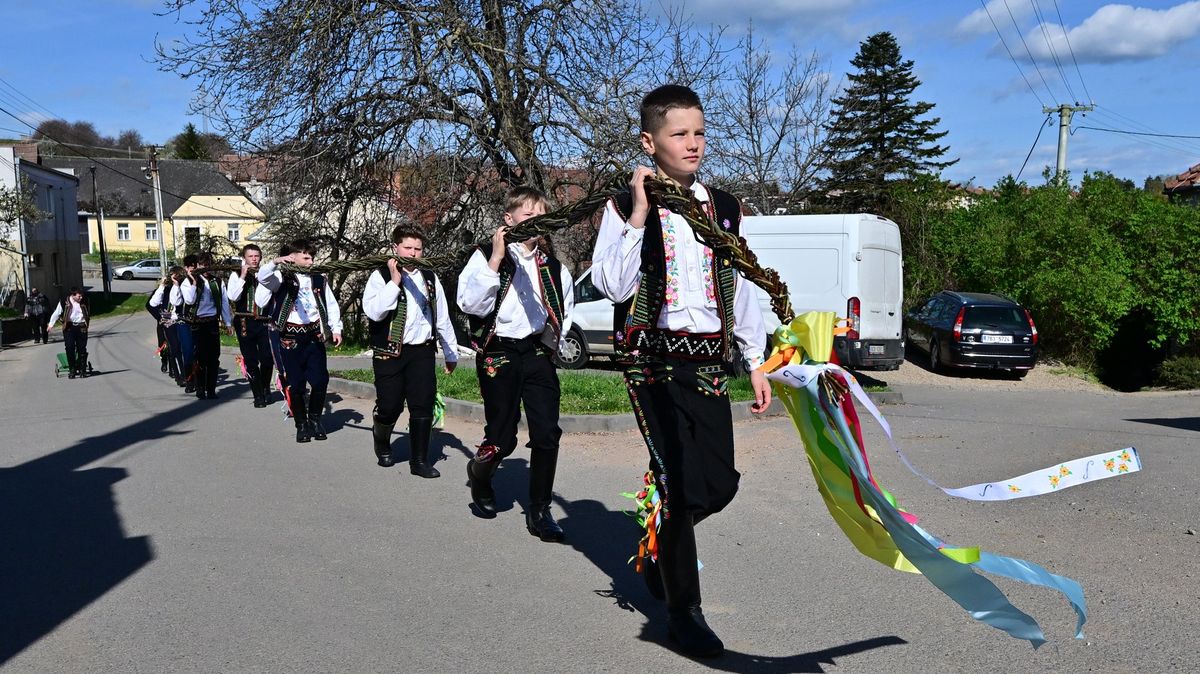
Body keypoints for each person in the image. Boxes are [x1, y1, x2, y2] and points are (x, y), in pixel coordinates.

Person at [590, 84, 770, 657]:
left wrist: (756, 358)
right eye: (678, 134)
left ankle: (660, 544)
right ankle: (683, 612)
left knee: (719, 484)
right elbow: (612, 285)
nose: (692, 144)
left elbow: (743, 288)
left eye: (698, 133)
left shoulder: (727, 208)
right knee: (674, 481)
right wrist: (640, 215)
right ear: (650, 142)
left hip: (709, 361)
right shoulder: (623, 207)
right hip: (651, 364)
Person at [457, 186, 575, 542]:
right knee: (502, 437)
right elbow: (470, 305)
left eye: (541, 216)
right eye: (527, 215)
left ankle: (539, 511)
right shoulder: (484, 256)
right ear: (508, 219)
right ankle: (480, 475)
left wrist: (553, 342)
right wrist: (495, 259)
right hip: (499, 352)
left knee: (547, 433)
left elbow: (564, 313)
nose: (534, 222)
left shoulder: (554, 267)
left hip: (536, 352)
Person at [362, 226, 460, 476]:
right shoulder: (380, 275)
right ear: (396, 247)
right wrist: (395, 283)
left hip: (422, 351)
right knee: (390, 405)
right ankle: (381, 439)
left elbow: (442, 316)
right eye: (408, 248)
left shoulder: (429, 277)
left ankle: (419, 461)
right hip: (389, 353)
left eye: (418, 249)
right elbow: (374, 312)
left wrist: (450, 352)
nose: (413, 253)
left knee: (423, 403)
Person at [256, 239, 344, 443]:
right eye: (306, 257)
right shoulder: (281, 277)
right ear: (293, 256)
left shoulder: (319, 279)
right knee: (296, 383)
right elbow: (263, 277)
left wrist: (336, 328)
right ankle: (301, 425)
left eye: (312, 257)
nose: (311, 261)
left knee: (320, 379)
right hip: (290, 337)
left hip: (314, 335)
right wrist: (277, 261)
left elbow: (330, 304)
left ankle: (315, 420)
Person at [226, 244, 275, 409]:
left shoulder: (266, 274)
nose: (254, 259)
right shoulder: (235, 274)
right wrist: (242, 276)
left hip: (264, 321)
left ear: (261, 257)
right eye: (250, 256)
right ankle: (258, 395)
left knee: (267, 358)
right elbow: (232, 296)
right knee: (251, 359)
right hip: (244, 322)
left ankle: (266, 386)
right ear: (244, 258)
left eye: (256, 256)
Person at [182, 251, 233, 400]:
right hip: (197, 323)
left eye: (208, 264)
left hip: (211, 322)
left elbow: (224, 302)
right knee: (199, 357)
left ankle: (211, 389)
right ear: (197, 266)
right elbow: (190, 301)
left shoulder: (217, 282)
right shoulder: (189, 281)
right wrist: (193, 282)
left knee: (213, 357)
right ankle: (200, 387)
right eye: (203, 264)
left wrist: (228, 322)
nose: (206, 267)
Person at [150, 267, 187, 385]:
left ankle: (185, 374)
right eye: (173, 276)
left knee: (183, 349)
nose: (175, 278)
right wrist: (162, 285)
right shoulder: (165, 289)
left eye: (177, 275)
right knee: (175, 348)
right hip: (169, 323)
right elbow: (152, 303)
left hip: (182, 320)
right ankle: (178, 375)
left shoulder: (184, 287)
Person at [47, 287, 91, 379]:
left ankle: (82, 370)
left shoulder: (85, 300)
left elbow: (88, 312)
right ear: (73, 295)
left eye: (82, 295)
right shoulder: (65, 301)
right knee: (69, 347)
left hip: (81, 326)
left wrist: (86, 323)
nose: (81, 297)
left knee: (82, 348)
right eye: (79, 296)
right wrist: (51, 324)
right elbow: (57, 313)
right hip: (69, 327)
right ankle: (72, 370)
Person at [176, 255, 199, 392]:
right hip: (185, 322)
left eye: (195, 265)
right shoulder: (185, 282)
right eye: (191, 266)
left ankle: (199, 380)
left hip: (200, 321)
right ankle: (189, 381)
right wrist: (194, 283)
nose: (193, 268)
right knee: (188, 352)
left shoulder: (203, 281)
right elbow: (190, 300)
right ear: (186, 268)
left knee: (200, 353)